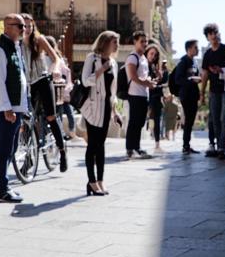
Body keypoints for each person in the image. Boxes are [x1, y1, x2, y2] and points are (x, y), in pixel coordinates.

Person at [0, 14, 30, 202]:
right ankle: (3, 188)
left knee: (10, 149)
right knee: (4, 149)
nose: (23, 29)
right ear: (7, 27)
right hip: (6, 108)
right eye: (19, 25)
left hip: (15, 107)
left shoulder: (15, 48)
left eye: (24, 26)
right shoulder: (0, 50)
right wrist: (7, 108)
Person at [82, 31, 119, 195]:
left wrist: (115, 111)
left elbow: (113, 91)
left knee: (101, 146)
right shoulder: (92, 58)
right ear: (105, 43)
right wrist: (101, 70)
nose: (117, 45)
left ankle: (101, 181)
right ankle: (91, 181)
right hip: (92, 107)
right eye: (114, 42)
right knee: (92, 145)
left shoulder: (114, 63)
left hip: (106, 107)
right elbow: (85, 80)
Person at [28, 32, 67, 172]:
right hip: (28, 83)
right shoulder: (17, 43)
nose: (25, 29)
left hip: (43, 80)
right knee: (28, 120)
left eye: (28, 25)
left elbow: (56, 58)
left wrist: (56, 70)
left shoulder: (39, 39)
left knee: (51, 116)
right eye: (23, 26)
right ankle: (28, 158)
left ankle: (62, 152)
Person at [201, 23, 225, 158]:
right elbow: (205, 75)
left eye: (216, 32)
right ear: (207, 37)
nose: (214, 35)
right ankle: (220, 145)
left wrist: (222, 70)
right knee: (215, 119)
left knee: (224, 118)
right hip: (214, 90)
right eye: (211, 34)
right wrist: (202, 93)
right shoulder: (207, 55)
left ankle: (222, 148)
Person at [123, 31, 154, 159]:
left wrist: (150, 80)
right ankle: (130, 148)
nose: (145, 44)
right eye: (142, 41)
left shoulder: (143, 58)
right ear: (135, 42)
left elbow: (143, 76)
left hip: (143, 94)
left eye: (146, 41)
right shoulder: (132, 57)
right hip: (134, 94)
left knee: (141, 122)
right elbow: (133, 77)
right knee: (134, 122)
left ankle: (136, 147)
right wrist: (146, 83)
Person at [172, 39, 203, 154]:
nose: (197, 49)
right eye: (195, 47)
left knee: (190, 121)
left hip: (194, 95)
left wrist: (198, 81)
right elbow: (178, 79)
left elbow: (196, 76)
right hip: (186, 95)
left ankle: (187, 145)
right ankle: (185, 146)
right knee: (188, 120)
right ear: (189, 49)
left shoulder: (194, 62)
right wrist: (191, 81)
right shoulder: (183, 61)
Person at [49, 39, 76, 137]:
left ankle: (67, 132)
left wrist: (67, 89)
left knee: (61, 113)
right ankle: (63, 132)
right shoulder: (55, 58)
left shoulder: (57, 59)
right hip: (59, 91)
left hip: (60, 91)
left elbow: (66, 73)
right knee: (60, 113)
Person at [147, 43, 167, 152]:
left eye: (155, 55)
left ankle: (157, 144)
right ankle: (133, 146)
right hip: (145, 94)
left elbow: (163, 81)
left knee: (157, 119)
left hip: (155, 96)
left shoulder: (156, 67)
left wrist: (160, 75)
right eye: (151, 54)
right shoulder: (143, 65)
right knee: (140, 120)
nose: (153, 57)